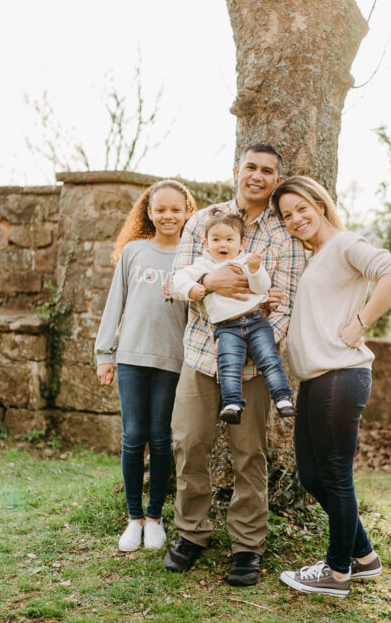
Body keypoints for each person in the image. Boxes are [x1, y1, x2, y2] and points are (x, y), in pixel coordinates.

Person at [162, 142, 306, 587]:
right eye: (250, 167)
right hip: (202, 354)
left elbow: (287, 303)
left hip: (257, 365)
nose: (257, 176)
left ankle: (247, 547)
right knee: (189, 444)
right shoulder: (203, 221)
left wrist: (255, 344)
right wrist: (209, 282)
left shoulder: (285, 236)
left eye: (267, 170)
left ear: (276, 180)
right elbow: (174, 283)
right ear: (237, 171)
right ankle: (192, 534)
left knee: (250, 455)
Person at [271, 175, 391, 598]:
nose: (295, 219)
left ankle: (336, 572)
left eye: (301, 209)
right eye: (286, 215)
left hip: (341, 374)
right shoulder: (315, 256)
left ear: (321, 203)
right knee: (313, 475)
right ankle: (364, 557)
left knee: (334, 475)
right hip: (316, 377)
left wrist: (361, 323)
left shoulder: (346, 244)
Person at [94, 179, 197, 553]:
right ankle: (133, 518)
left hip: (173, 362)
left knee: (161, 439)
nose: (168, 216)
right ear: (148, 212)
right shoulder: (133, 252)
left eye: (175, 209)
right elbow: (114, 303)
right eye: (160, 209)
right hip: (132, 359)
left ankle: (155, 518)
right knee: (133, 438)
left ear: (188, 212)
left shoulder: (192, 257)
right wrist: (105, 354)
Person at [170, 207, 295, 425]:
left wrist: (256, 270)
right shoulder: (202, 265)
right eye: (216, 239)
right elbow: (178, 279)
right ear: (206, 243)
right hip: (227, 328)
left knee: (269, 359)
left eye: (229, 239)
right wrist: (194, 287)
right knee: (229, 364)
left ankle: (283, 398)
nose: (223, 245)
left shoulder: (246, 261)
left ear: (241, 243)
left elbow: (261, 287)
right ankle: (233, 403)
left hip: (255, 321)